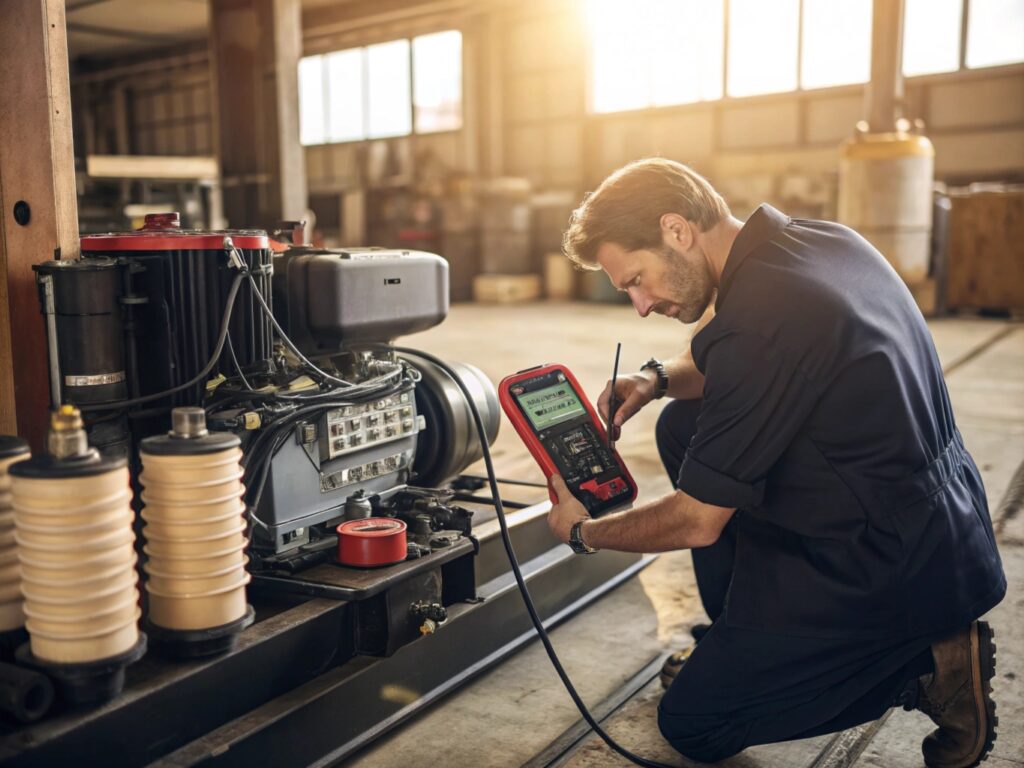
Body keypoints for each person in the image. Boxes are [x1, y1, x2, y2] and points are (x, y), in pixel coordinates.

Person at [547, 158, 1006, 767]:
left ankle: (927, 667)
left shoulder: (765, 318)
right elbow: (731, 368)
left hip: (881, 564)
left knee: (694, 723)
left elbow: (696, 520)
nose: (639, 304)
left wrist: (584, 532)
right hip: (937, 522)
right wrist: (653, 379)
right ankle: (746, 631)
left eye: (637, 279)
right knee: (684, 424)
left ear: (676, 230)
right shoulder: (820, 244)